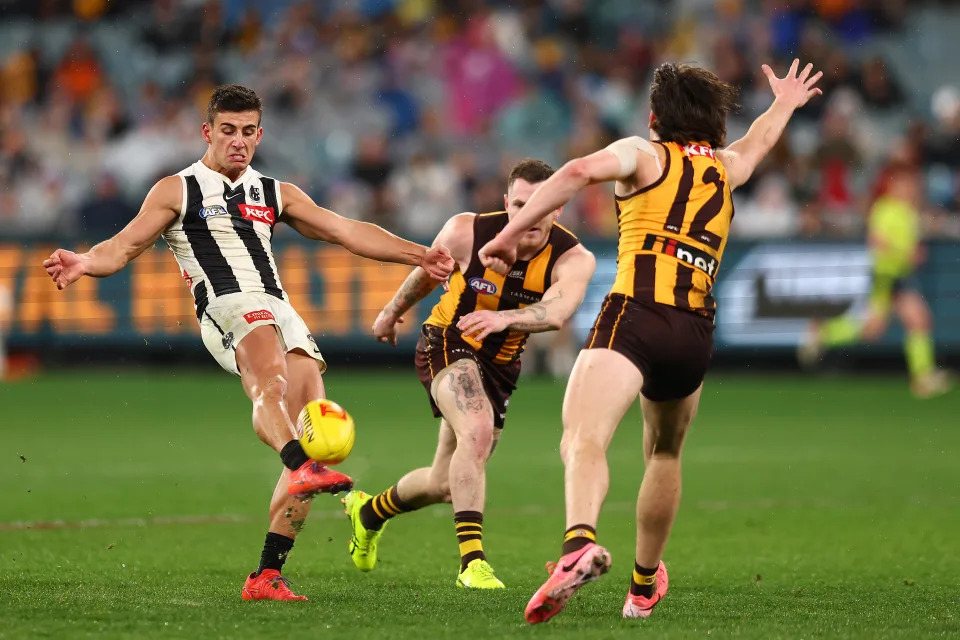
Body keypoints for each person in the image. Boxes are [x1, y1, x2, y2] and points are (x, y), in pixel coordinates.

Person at [42, 85, 454, 601]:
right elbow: (123, 246)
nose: (238, 141)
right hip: (227, 307)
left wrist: (419, 254)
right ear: (207, 132)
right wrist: (85, 261)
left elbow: (345, 229)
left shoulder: (274, 192)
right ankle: (298, 465)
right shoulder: (178, 189)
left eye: (247, 132)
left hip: (280, 309)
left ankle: (267, 573)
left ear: (260, 135)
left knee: (313, 420)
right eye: (227, 131)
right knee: (274, 388)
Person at [478, 60, 824, 622]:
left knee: (583, 437)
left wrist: (511, 233)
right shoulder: (726, 168)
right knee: (664, 452)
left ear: (655, 115)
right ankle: (643, 587)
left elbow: (571, 174)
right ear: (712, 122)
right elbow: (757, 142)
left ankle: (577, 546)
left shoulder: (643, 153)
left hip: (636, 313)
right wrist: (784, 102)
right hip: (694, 329)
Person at [341, 159, 596, 589]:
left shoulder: (573, 257)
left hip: (500, 366)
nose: (527, 216)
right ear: (506, 203)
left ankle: (368, 513)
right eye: (519, 204)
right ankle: (472, 564)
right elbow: (428, 272)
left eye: (539, 205)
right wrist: (391, 312)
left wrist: (503, 320)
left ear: (558, 207)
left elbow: (559, 311)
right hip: (447, 340)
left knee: (445, 483)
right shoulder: (466, 231)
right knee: (476, 432)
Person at [798, 166, 951, 398]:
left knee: (882, 327)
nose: (910, 189)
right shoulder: (885, 208)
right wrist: (906, 253)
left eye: (912, 185)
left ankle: (824, 333)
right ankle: (923, 377)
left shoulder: (908, 212)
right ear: (893, 186)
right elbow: (877, 241)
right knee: (911, 321)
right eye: (905, 184)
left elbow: (911, 241)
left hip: (901, 274)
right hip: (886, 274)